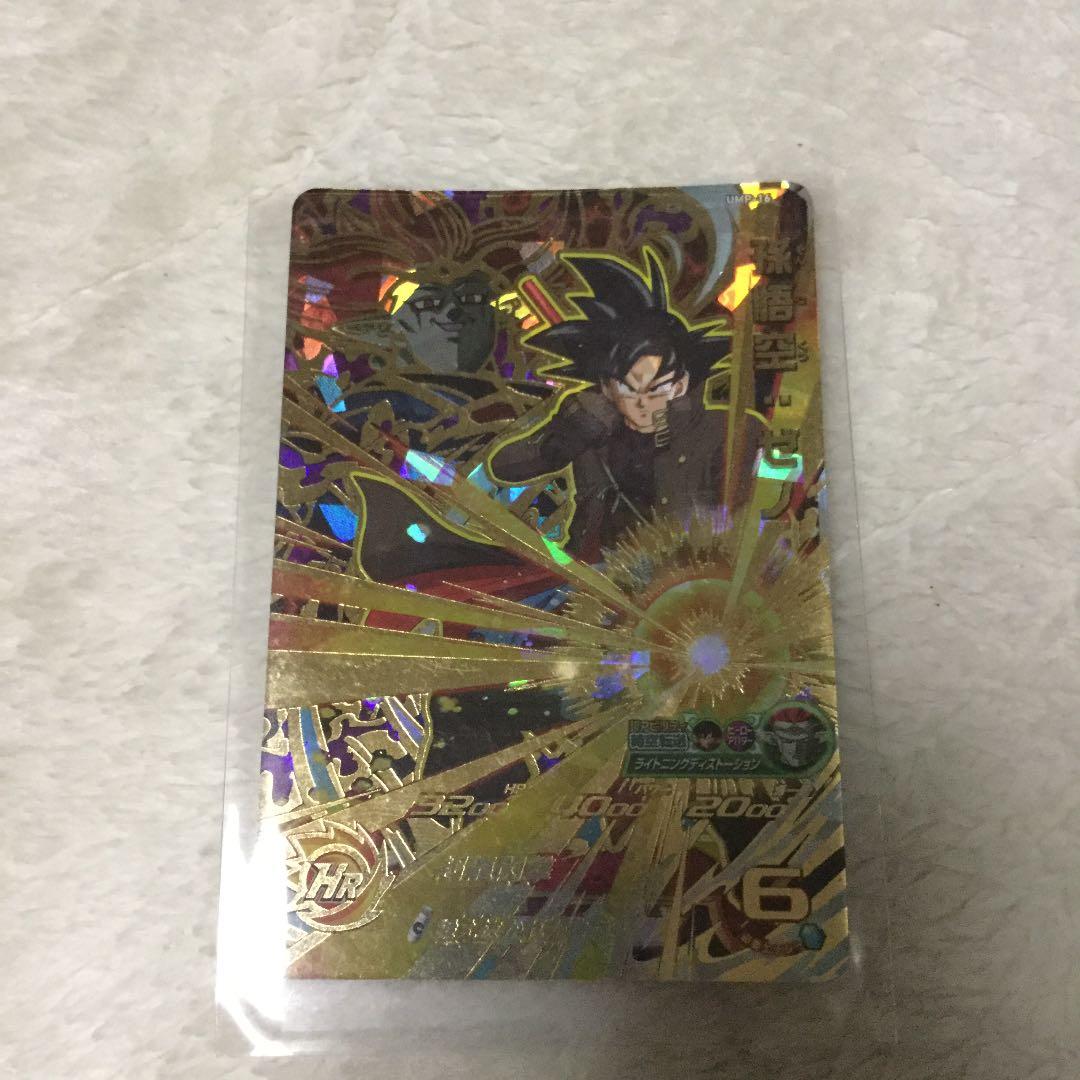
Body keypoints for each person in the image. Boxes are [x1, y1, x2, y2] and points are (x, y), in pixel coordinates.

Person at [489, 249, 765, 561]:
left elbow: (763, 509)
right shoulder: (595, 424)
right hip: (602, 573)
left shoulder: (722, 430)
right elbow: (503, 467)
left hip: (693, 575)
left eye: (657, 388)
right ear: (608, 387)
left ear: (681, 384)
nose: (643, 403)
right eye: (630, 390)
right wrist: (570, 432)